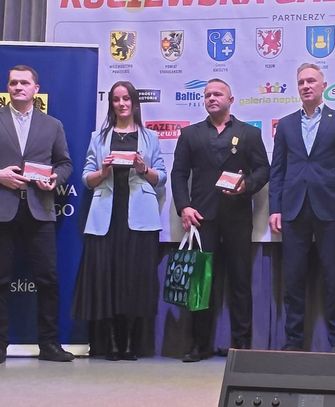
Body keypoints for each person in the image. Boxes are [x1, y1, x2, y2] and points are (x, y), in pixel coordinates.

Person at [171, 78, 269, 362]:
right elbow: (179, 174)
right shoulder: (189, 134)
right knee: (200, 284)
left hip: (237, 217)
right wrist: (184, 207)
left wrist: (246, 186)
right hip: (202, 219)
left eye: (217, 94)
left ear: (231, 100)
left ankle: (242, 345)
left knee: (240, 282)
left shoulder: (249, 134)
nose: (212, 98)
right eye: (207, 95)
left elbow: (264, 170)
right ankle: (198, 344)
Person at [268, 63, 335, 353]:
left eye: (311, 81)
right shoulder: (285, 125)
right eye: (301, 82)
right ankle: (293, 342)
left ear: (323, 86)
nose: (306, 86)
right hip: (293, 210)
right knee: (293, 279)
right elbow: (277, 170)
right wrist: (274, 208)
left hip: (331, 210)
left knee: (334, 278)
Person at [72, 81, 167, 361]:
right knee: (108, 279)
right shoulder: (98, 137)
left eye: (126, 99)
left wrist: (144, 168)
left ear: (135, 103)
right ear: (111, 104)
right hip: (106, 218)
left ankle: (130, 344)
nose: (122, 104)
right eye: (116, 99)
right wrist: (103, 171)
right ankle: (112, 343)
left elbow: (162, 178)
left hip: (140, 219)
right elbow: (86, 178)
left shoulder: (150, 137)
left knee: (134, 279)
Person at [0, 65, 74, 363]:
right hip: (3, 210)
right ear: (8, 87)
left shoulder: (52, 125)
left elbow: (65, 164)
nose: (18, 87)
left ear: (35, 89)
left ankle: (49, 345)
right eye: (13, 83)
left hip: (39, 210)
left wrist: (55, 179)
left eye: (24, 83)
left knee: (48, 279)